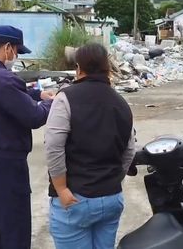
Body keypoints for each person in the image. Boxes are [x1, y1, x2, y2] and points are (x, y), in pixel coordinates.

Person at [0, 25, 55, 249]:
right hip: (6, 162)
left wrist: (37, 93)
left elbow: (10, 93)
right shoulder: (2, 78)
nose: (15, 56)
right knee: (14, 223)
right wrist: (51, 102)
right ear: (7, 48)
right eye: (16, 51)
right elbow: (33, 116)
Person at [44, 42, 135, 249]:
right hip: (111, 198)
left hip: (75, 198)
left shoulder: (65, 98)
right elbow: (129, 150)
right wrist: (113, 180)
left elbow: (53, 146)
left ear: (79, 68)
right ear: (107, 67)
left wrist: (61, 188)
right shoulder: (121, 102)